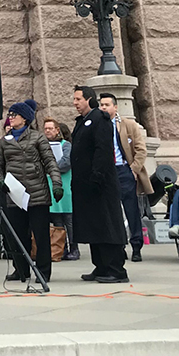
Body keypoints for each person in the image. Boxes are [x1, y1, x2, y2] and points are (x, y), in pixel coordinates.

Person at [0, 100, 62, 284]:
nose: (10, 118)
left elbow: (50, 161)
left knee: (40, 235)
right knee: (17, 234)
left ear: (24, 118)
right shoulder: (5, 141)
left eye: (14, 115)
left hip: (37, 193)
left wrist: (56, 183)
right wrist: (0, 181)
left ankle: (42, 271)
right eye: (9, 115)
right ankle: (21, 269)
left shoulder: (37, 138)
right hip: (15, 194)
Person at [71, 85, 128, 283]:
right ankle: (101, 266)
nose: (75, 103)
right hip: (86, 185)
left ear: (88, 99)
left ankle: (116, 268)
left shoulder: (100, 119)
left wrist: (97, 176)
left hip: (100, 185)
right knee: (93, 227)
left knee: (107, 225)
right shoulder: (82, 122)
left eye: (78, 99)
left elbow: (102, 150)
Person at [98, 93, 152, 262]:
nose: (104, 107)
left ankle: (136, 245)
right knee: (112, 211)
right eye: (101, 105)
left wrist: (133, 169)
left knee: (131, 209)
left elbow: (141, 149)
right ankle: (118, 246)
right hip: (107, 172)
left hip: (124, 170)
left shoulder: (128, 125)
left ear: (115, 107)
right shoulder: (99, 126)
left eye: (107, 104)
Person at [44, 118, 76, 261]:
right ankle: (61, 248)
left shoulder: (66, 145)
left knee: (68, 219)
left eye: (50, 128)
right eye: (45, 129)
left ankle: (74, 248)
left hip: (64, 184)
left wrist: (50, 168)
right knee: (57, 219)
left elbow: (66, 162)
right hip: (50, 185)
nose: (48, 131)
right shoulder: (43, 145)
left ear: (57, 130)